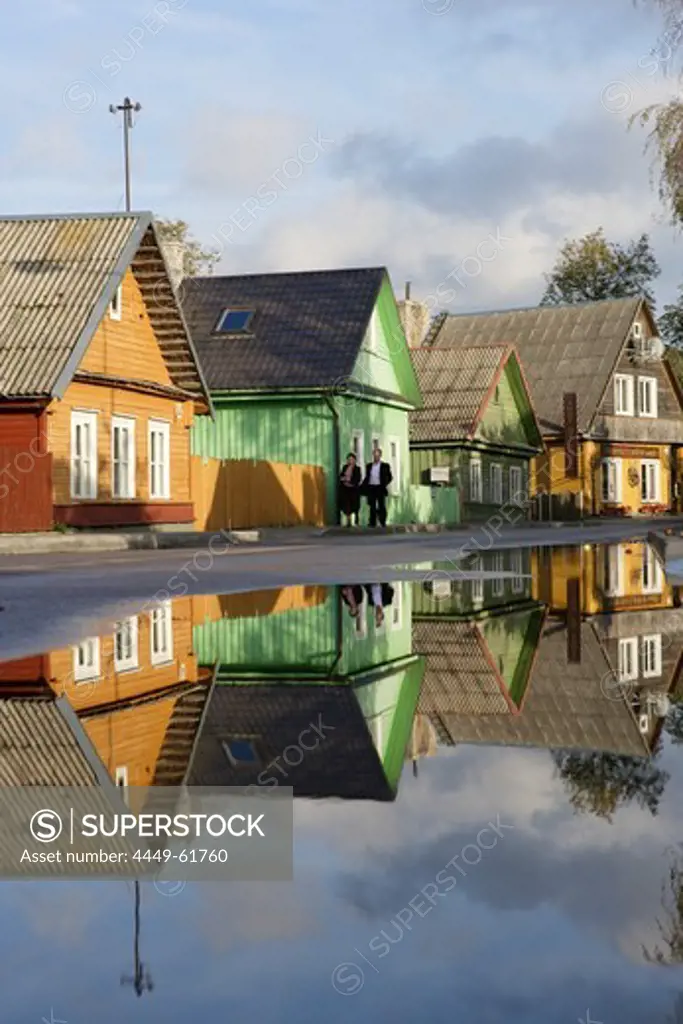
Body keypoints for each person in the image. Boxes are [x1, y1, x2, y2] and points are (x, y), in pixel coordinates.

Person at [362, 447, 393, 527]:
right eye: (374, 456)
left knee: (381, 504)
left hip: (380, 487)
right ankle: (372, 522)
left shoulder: (385, 466)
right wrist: (364, 486)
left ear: (380, 456)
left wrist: (384, 483)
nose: (376, 457)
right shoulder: (369, 466)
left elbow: (390, 477)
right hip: (371, 487)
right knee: (372, 505)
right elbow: (367, 477)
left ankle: (382, 521)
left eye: (377, 456)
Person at [338, 452, 362, 527]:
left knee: (355, 505)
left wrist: (349, 480)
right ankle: (348, 521)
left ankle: (356, 520)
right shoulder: (345, 467)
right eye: (348, 459)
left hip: (354, 489)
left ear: (354, 460)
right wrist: (344, 479)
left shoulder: (357, 469)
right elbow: (341, 476)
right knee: (346, 505)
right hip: (345, 489)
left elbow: (357, 478)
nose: (350, 461)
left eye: (351, 459)